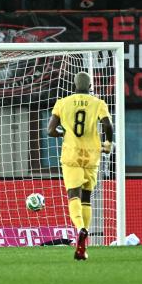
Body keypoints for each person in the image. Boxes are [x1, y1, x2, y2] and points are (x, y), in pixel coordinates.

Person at [47, 71, 113, 261]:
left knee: (72, 195)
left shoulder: (63, 102)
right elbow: (108, 125)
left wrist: (63, 133)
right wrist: (108, 143)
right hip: (92, 155)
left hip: (71, 155)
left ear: (74, 85)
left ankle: (80, 229)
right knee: (86, 197)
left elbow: (50, 130)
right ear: (90, 86)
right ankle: (85, 239)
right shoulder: (98, 103)